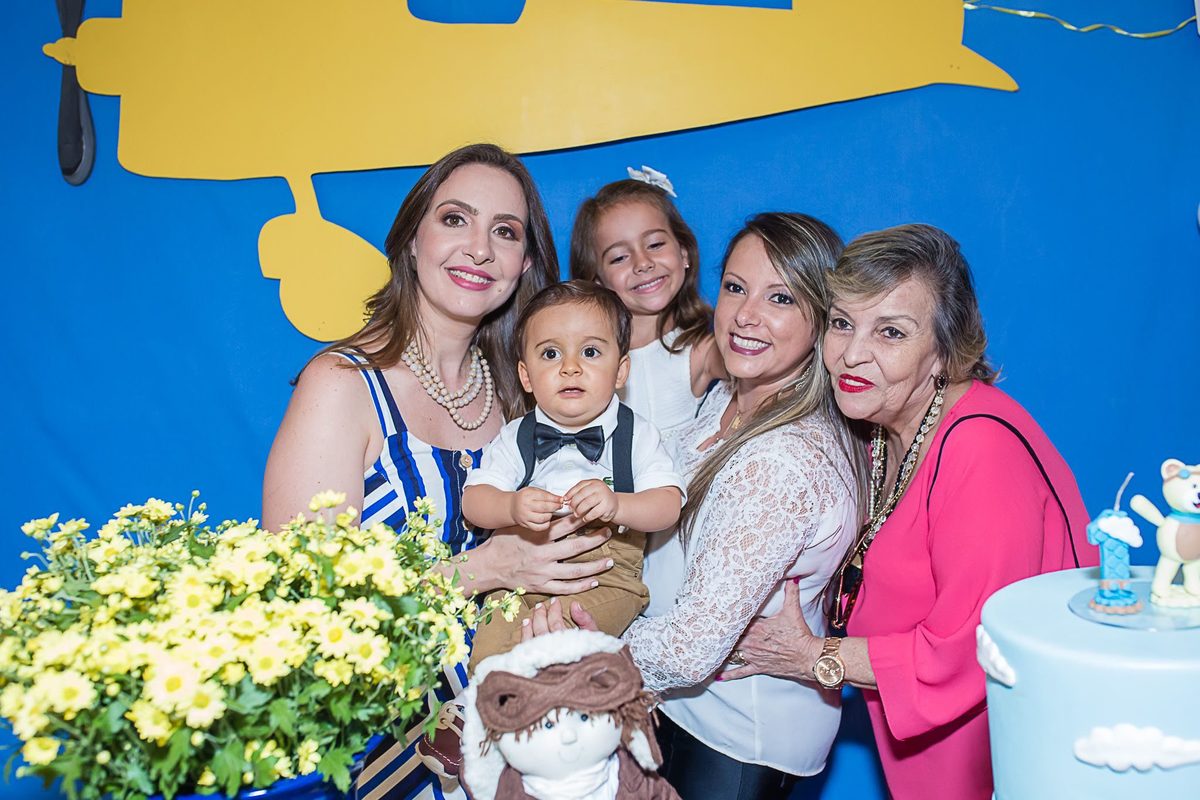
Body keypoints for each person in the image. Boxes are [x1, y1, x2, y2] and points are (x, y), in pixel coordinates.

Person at [261, 143, 613, 800]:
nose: (479, 249)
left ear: (524, 263)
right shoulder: (342, 386)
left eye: (504, 232)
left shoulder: (521, 395)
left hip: (507, 748)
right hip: (376, 753)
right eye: (455, 219)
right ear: (411, 240)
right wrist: (489, 568)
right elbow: (301, 607)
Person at [722, 224, 1096, 800]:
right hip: (929, 745)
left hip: (1002, 747)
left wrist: (813, 657)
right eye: (842, 323)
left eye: (891, 332)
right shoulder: (879, 426)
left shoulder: (982, 450)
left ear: (944, 351)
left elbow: (969, 648)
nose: (851, 354)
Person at [535, 213, 866, 799]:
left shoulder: (782, 459)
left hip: (733, 737)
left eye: (780, 298)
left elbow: (690, 650)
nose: (745, 315)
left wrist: (573, 655)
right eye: (736, 287)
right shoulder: (730, 396)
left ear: (822, 316)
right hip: (682, 709)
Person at [462, 280, 685, 670]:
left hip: (605, 576)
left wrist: (618, 505)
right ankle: (488, 695)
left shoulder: (637, 434)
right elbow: (474, 501)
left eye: (590, 352)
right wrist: (510, 506)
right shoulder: (517, 436)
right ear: (526, 376)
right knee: (491, 638)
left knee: (556, 642)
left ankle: (533, 691)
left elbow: (668, 505)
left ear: (621, 370)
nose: (570, 367)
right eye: (550, 354)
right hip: (519, 573)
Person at [570, 173, 725, 431]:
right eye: (619, 258)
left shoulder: (700, 351)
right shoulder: (584, 357)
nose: (642, 263)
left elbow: (762, 368)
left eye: (655, 244)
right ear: (597, 281)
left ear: (684, 253)